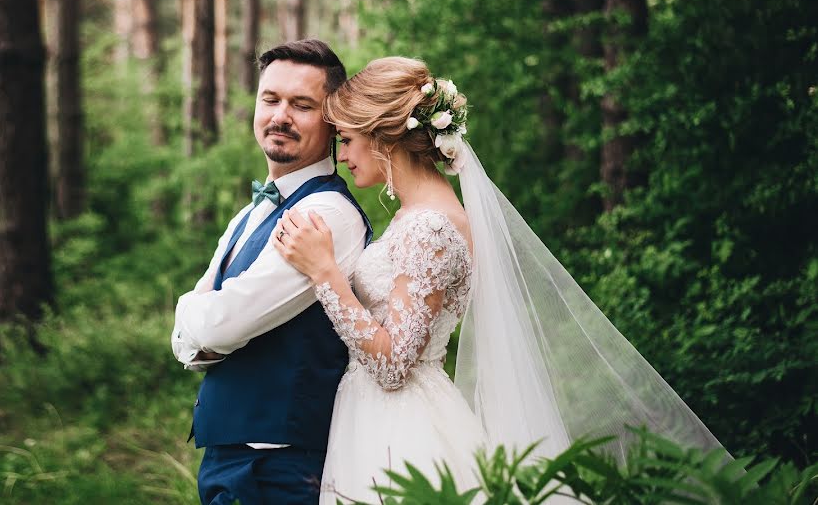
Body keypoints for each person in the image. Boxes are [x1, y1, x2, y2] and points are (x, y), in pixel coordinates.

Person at [273, 57, 728, 503]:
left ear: (384, 137)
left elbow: (394, 367)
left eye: (348, 140)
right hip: (370, 418)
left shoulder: (429, 228)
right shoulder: (416, 217)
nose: (344, 155)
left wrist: (325, 274)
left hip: (401, 426)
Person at [171, 39, 373, 505]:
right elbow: (194, 339)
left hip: (278, 466)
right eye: (271, 99)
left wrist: (189, 312)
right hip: (233, 459)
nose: (280, 115)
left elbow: (223, 323)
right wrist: (197, 328)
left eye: (302, 105)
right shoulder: (249, 214)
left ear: (331, 121)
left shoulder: (326, 214)